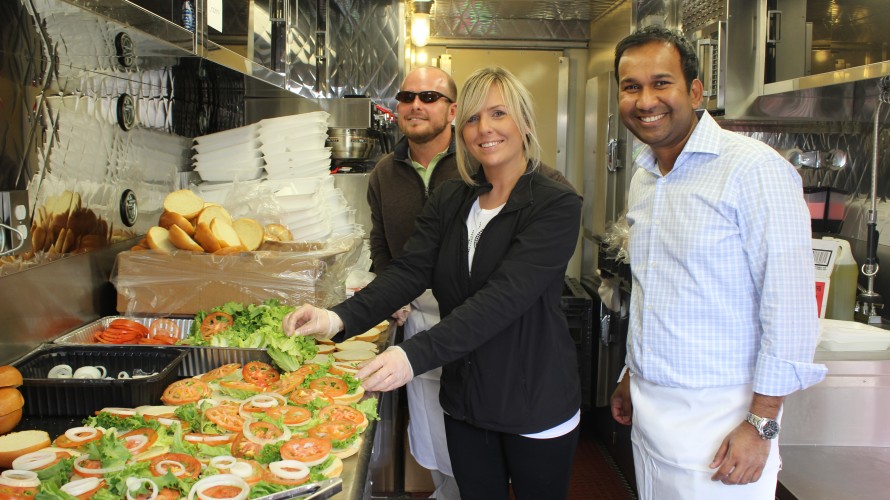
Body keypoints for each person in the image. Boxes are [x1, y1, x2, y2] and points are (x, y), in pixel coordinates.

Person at [284, 66, 582, 500]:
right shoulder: (453, 199)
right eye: (474, 118)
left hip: (532, 396)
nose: (485, 129)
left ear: (526, 124)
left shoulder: (555, 203)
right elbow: (408, 271)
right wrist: (335, 318)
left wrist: (410, 356)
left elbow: (502, 299)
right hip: (465, 396)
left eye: (499, 114)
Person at [608, 26, 827, 499]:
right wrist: (631, 373)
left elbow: (790, 308)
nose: (646, 100)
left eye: (661, 83)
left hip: (725, 420)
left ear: (694, 90)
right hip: (652, 412)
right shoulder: (645, 175)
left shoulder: (755, 170)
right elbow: (654, 289)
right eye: (631, 87)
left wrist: (762, 425)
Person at [368, 66, 462, 499]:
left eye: (429, 97)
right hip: (418, 316)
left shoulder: (476, 163)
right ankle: (445, 489)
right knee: (430, 423)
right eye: (407, 97)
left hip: (473, 313)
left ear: (453, 110)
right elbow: (380, 241)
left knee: (471, 422)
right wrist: (389, 288)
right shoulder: (384, 173)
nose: (416, 105)